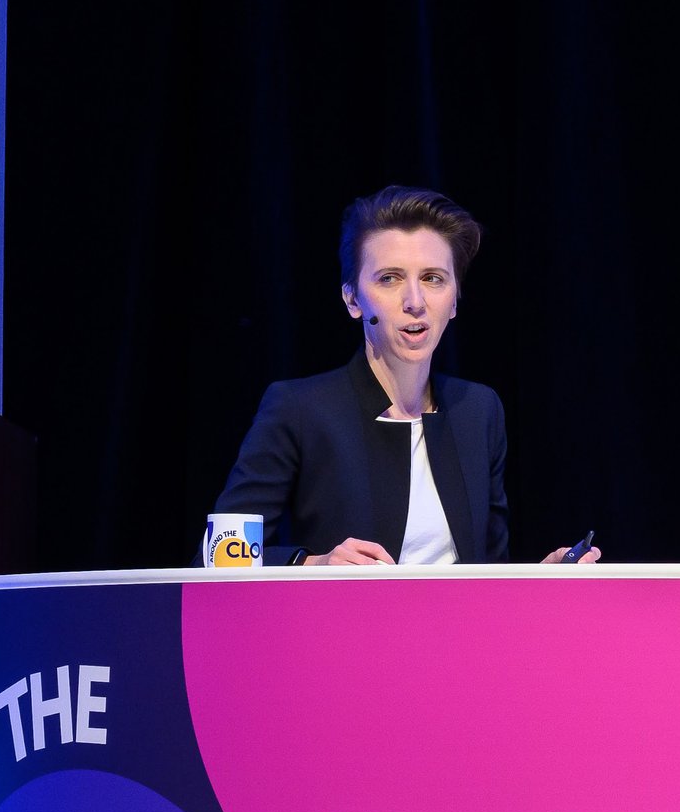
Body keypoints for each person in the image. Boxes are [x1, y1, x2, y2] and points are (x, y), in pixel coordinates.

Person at [213, 186, 595, 566]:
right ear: (352, 299)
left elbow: (487, 571)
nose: (415, 301)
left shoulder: (478, 410)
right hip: (346, 625)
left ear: (455, 300)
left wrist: (540, 579)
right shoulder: (300, 409)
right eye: (390, 279)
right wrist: (314, 565)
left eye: (433, 278)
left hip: (457, 627)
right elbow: (217, 557)